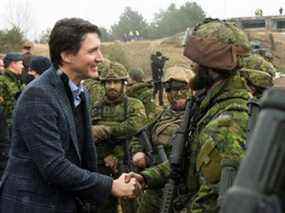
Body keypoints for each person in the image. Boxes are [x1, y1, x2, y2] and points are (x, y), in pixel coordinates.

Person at [0, 18, 141, 213]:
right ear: (67, 55)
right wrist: (111, 186)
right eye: (92, 51)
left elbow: (80, 155)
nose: (100, 58)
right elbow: (54, 167)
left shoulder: (79, 92)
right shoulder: (38, 96)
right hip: (35, 205)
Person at [129, 19, 253, 213]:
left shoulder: (226, 123)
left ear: (211, 64)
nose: (192, 67)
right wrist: (147, 177)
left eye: (195, 62)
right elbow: (186, 160)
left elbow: (212, 203)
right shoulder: (209, 105)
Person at [130, 65, 194, 213]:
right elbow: (138, 135)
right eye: (171, 89)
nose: (177, 93)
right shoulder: (161, 115)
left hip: (183, 190)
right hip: (155, 185)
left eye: (182, 88)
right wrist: (138, 153)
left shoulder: (199, 117)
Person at [91, 61, 147, 213]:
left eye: (116, 82)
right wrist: (106, 155)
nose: (111, 86)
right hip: (103, 166)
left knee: (133, 207)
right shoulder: (96, 107)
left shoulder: (134, 104)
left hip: (127, 165)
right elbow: (90, 137)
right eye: (108, 82)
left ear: (124, 84)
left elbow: (134, 126)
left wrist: (106, 130)